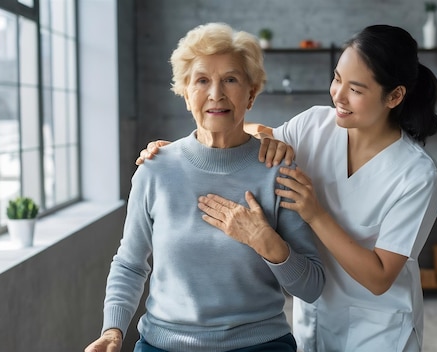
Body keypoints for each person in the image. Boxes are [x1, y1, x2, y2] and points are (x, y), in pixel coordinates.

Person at [137, 24, 437, 352]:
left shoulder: (417, 175)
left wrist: (314, 214)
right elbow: (242, 135)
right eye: (337, 79)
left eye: (356, 89)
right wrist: (179, 153)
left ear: (394, 96)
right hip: (313, 316)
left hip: (379, 331)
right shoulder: (313, 125)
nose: (338, 95)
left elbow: (380, 277)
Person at [85, 22, 325, 352]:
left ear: (251, 93)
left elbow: (312, 287)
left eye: (230, 79)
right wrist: (113, 331)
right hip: (163, 345)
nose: (216, 93)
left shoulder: (277, 170)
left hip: (259, 345)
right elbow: (130, 263)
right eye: (202, 80)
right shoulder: (155, 168)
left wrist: (268, 243)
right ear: (185, 94)